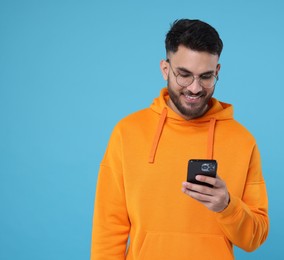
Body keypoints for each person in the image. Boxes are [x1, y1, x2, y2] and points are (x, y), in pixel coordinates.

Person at [91, 18, 269, 260]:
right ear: (165, 69)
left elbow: (255, 238)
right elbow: (108, 230)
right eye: (184, 75)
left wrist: (227, 206)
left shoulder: (243, 141)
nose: (195, 88)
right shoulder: (127, 132)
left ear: (217, 72)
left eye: (206, 77)